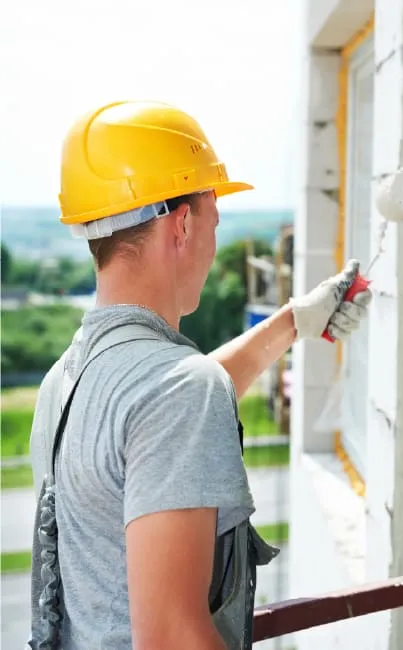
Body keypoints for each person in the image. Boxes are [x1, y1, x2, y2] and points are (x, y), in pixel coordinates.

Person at [27, 100, 372, 650]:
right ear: (183, 224)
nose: (213, 244)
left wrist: (293, 323)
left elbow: (160, 417)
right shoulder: (177, 393)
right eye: (214, 220)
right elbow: (172, 638)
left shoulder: (64, 383)